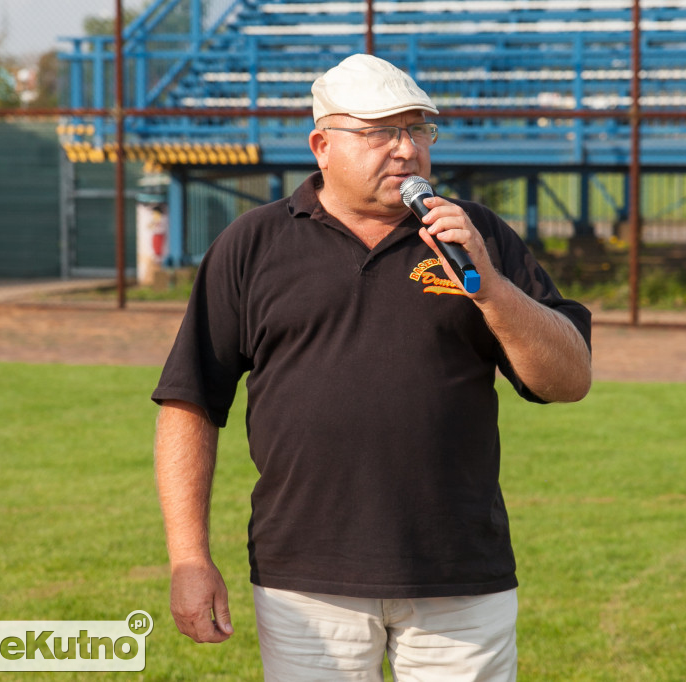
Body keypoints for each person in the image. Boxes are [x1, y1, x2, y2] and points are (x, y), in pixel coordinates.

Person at [152, 53, 592, 681]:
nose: (406, 150)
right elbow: (190, 403)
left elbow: (568, 380)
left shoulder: (476, 237)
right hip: (305, 578)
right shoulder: (252, 245)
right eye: (381, 132)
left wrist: (489, 285)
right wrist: (189, 559)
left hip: (459, 574)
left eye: (418, 130)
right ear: (322, 144)